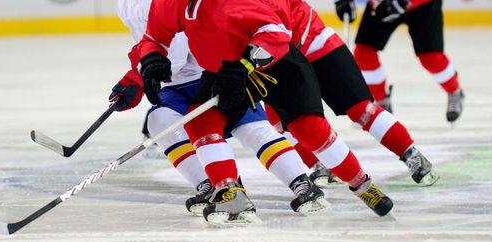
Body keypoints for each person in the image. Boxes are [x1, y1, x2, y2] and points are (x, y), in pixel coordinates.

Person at [137, 0, 394, 224]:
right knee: (201, 121)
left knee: (310, 130)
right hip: (227, 70)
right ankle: (229, 191)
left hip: (278, 66)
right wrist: (152, 60)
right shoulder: (169, 3)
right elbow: (155, 36)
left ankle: (363, 186)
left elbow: (276, 33)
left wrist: (246, 64)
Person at [111, 0, 329, 220]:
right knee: (159, 119)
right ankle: (211, 185)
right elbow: (148, 43)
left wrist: (138, 78)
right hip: (176, 86)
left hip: (217, 73)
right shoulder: (127, 4)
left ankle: (300, 181)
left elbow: (173, 56)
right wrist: (136, 74)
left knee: (250, 126)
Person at [263, 0, 438, 187]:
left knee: (361, 110)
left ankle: (411, 155)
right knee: (280, 119)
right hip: (278, 59)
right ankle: (321, 164)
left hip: (313, 41)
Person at [335, 0, 465, 122]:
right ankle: (382, 103)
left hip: (423, 6)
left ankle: (455, 90)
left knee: (431, 58)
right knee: (364, 53)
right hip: (383, 3)